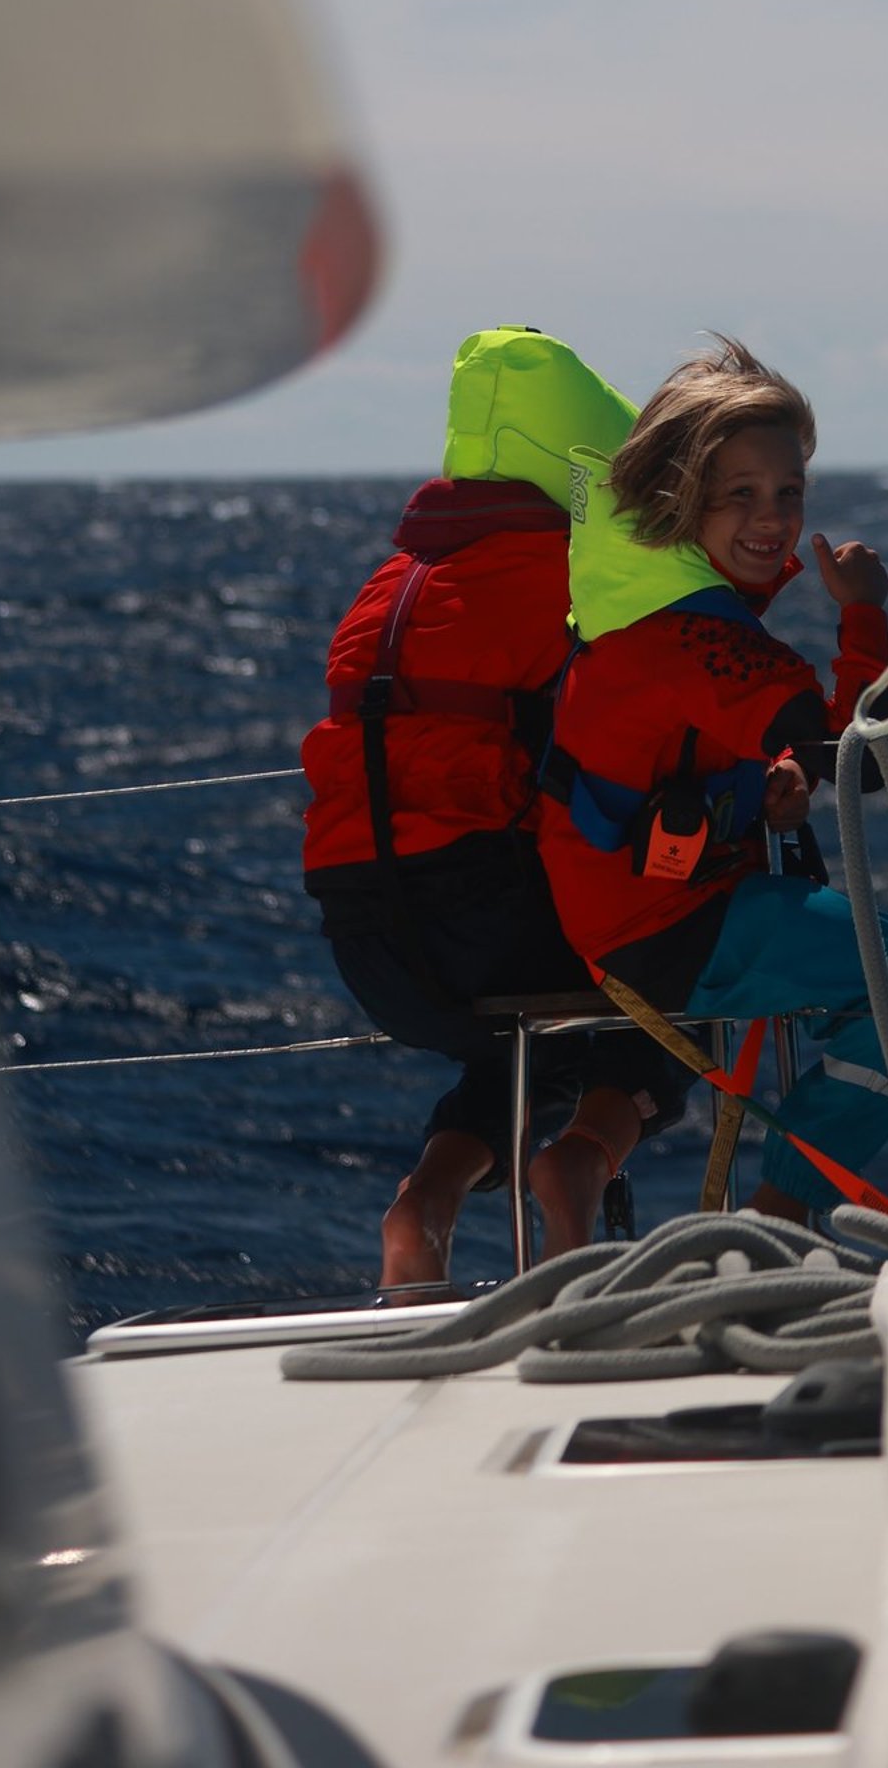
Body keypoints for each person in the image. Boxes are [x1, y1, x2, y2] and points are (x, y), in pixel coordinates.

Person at [537, 336, 888, 1225]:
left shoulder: (646, 610)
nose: (771, 518)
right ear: (677, 501)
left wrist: (761, 778)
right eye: (740, 495)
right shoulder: (698, 636)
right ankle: (778, 1219)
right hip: (668, 929)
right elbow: (867, 758)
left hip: (630, 911)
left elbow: (725, 742)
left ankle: (778, 1209)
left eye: (787, 493)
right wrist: (864, 615)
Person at [301, 329, 689, 1287]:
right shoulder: (572, 581)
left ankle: (430, 1197)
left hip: (367, 945)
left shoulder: (387, 588)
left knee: (529, 1043)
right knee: (686, 980)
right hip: (486, 919)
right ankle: (582, 1162)